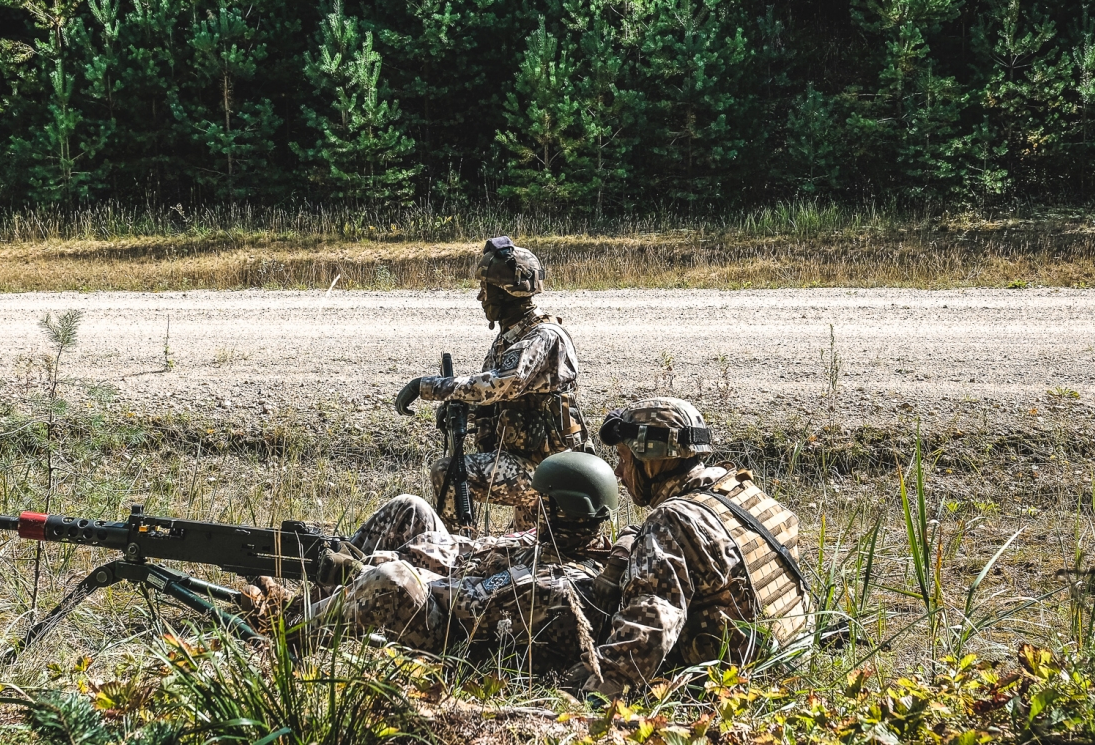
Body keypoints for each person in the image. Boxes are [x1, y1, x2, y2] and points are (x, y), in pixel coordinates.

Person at [302, 451, 622, 675]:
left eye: (542, 500)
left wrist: (367, 568)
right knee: (411, 508)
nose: (534, 506)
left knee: (392, 580)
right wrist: (424, 550)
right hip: (458, 599)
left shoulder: (559, 586)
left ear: (561, 510)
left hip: (456, 647)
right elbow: (479, 548)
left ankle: (289, 627)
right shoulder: (558, 543)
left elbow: (465, 603)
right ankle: (322, 595)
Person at [581, 397, 809, 698]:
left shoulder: (671, 521)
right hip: (792, 665)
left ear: (652, 461)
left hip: (735, 686)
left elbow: (650, 626)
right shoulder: (739, 490)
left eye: (624, 458)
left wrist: (591, 692)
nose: (618, 473)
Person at [394, 236, 588, 529]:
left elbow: (501, 385)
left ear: (507, 293)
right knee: (530, 553)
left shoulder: (543, 337)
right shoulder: (507, 341)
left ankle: (453, 554)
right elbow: (491, 400)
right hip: (528, 462)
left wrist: (429, 387)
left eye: (486, 289)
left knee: (448, 471)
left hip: (552, 471)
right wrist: (460, 409)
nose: (480, 297)